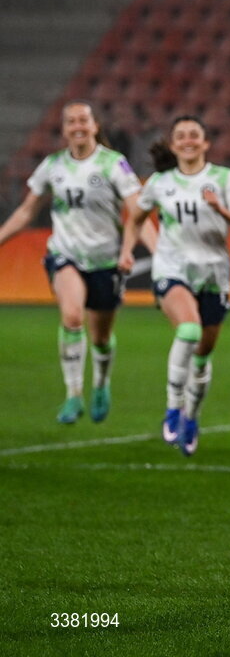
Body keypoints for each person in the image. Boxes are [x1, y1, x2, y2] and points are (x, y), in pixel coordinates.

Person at [0, 101, 156, 424]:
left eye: (83, 120)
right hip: (65, 253)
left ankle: (100, 384)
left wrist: (160, 253)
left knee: (100, 337)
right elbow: (28, 211)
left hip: (105, 261)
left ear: (95, 125)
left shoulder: (114, 164)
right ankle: (73, 394)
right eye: (71, 121)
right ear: (64, 129)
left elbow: (136, 213)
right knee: (72, 317)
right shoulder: (53, 165)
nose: (78, 126)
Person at [119, 115, 230, 456]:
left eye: (195, 135)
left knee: (202, 354)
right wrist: (125, 251)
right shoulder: (160, 182)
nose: (188, 140)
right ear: (174, 144)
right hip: (172, 269)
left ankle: (191, 417)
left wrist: (219, 208)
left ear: (205, 143)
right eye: (181, 136)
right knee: (190, 331)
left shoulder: (225, 178)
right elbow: (135, 218)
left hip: (213, 275)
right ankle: (173, 406)